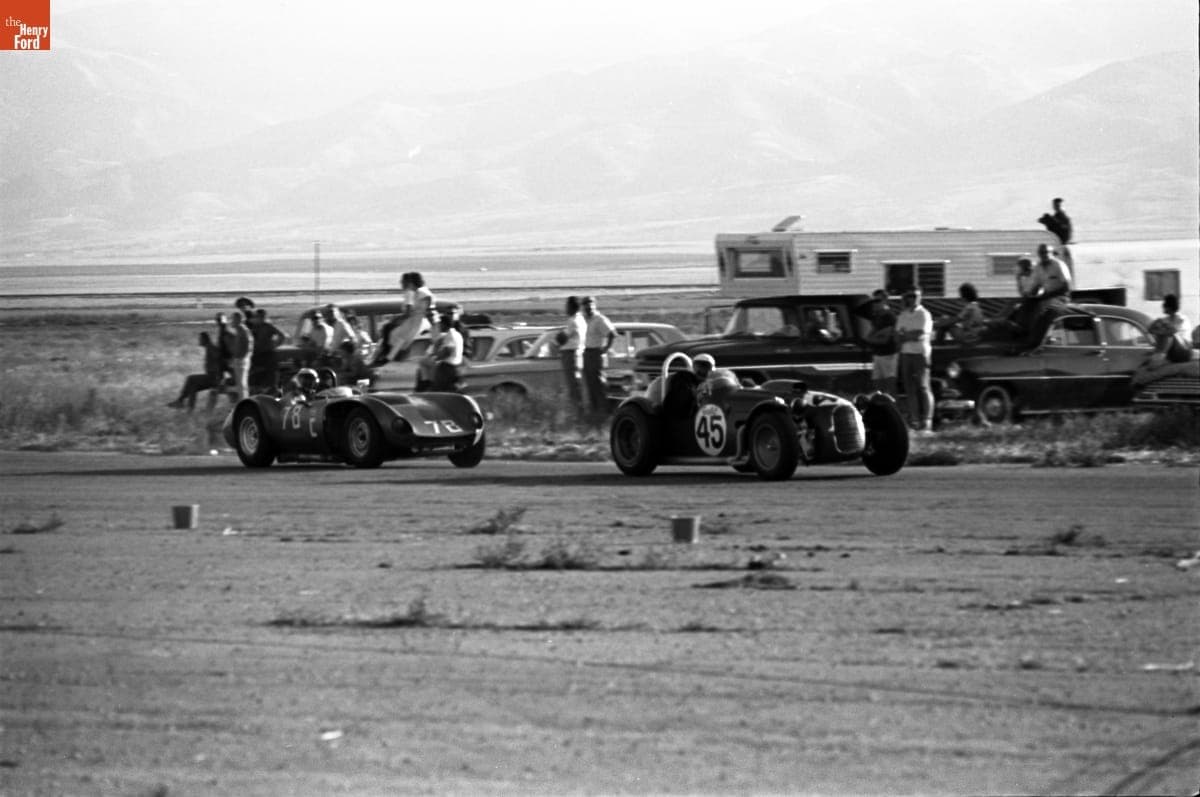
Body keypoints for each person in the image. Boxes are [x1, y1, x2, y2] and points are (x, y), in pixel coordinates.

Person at [373, 271, 434, 365]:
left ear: (409, 282)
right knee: (396, 335)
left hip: (412, 323)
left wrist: (397, 319)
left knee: (389, 330)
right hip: (421, 323)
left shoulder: (411, 292)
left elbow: (408, 312)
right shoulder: (425, 293)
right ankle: (388, 356)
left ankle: (386, 356)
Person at [896, 287, 934, 433]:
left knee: (923, 387)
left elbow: (919, 334)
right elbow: (897, 335)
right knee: (909, 388)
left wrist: (906, 335)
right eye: (911, 296)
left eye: (916, 296)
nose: (913, 298)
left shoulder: (924, 314)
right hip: (906, 353)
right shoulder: (903, 315)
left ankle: (927, 421)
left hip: (920, 353)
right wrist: (907, 335)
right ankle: (915, 420)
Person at [168, 331, 225, 412]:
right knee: (193, 386)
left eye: (200, 339)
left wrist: (217, 374)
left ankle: (181, 402)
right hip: (214, 377)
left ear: (205, 340)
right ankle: (188, 408)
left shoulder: (210, 347)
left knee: (191, 379)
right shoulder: (210, 347)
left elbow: (218, 356)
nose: (199, 341)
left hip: (214, 378)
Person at [580, 295, 617, 412]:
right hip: (585, 354)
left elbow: (612, 334)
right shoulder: (583, 319)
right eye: (586, 306)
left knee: (598, 384)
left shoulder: (600, 319)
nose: (588, 308)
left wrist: (605, 349)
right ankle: (594, 411)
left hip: (596, 353)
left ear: (594, 306)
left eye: (591, 305)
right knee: (589, 384)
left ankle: (604, 410)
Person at [866, 290, 899, 395]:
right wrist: (875, 336)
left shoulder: (890, 317)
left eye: (878, 300)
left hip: (889, 355)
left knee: (890, 388)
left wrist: (873, 337)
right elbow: (869, 336)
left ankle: (894, 409)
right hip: (877, 355)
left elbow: (885, 340)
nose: (875, 303)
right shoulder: (876, 317)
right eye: (873, 301)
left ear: (885, 300)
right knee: (878, 388)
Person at [557, 296, 586, 409]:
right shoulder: (581, 319)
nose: (565, 308)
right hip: (578, 353)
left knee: (572, 385)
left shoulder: (573, 320)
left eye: (567, 306)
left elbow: (562, 338)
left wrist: (557, 339)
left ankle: (577, 410)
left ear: (572, 307)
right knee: (576, 383)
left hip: (571, 354)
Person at [249, 307, 286, 393]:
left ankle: (273, 390)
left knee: (271, 375)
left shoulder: (268, 326)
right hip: (256, 353)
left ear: (263, 317)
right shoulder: (254, 327)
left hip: (267, 354)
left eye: (259, 316)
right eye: (257, 316)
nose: (258, 318)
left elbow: (282, 335)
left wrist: (275, 345)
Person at [429, 309, 465, 392]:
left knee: (437, 391)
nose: (439, 326)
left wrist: (436, 357)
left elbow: (447, 351)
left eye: (440, 324)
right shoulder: (457, 334)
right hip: (457, 366)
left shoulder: (450, 336)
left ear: (444, 324)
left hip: (447, 368)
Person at [227, 311, 254, 400]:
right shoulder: (239, 331)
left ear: (239, 320)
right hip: (238, 359)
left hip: (242, 361)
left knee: (242, 384)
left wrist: (243, 358)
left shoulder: (244, 331)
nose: (231, 321)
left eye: (233, 319)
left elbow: (249, 346)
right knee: (240, 384)